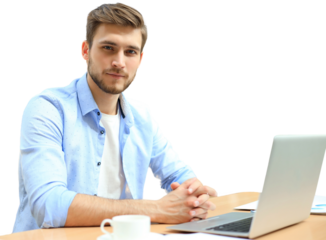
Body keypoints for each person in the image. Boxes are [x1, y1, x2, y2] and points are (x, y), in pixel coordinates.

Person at [12, 3, 219, 233]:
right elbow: (50, 205)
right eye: (108, 47)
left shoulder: (142, 115)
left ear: (140, 59)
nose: (119, 62)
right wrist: (156, 210)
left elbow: (177, 174)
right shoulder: (47, 108)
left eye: (130, 51)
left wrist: (195, 193)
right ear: (85, 50)